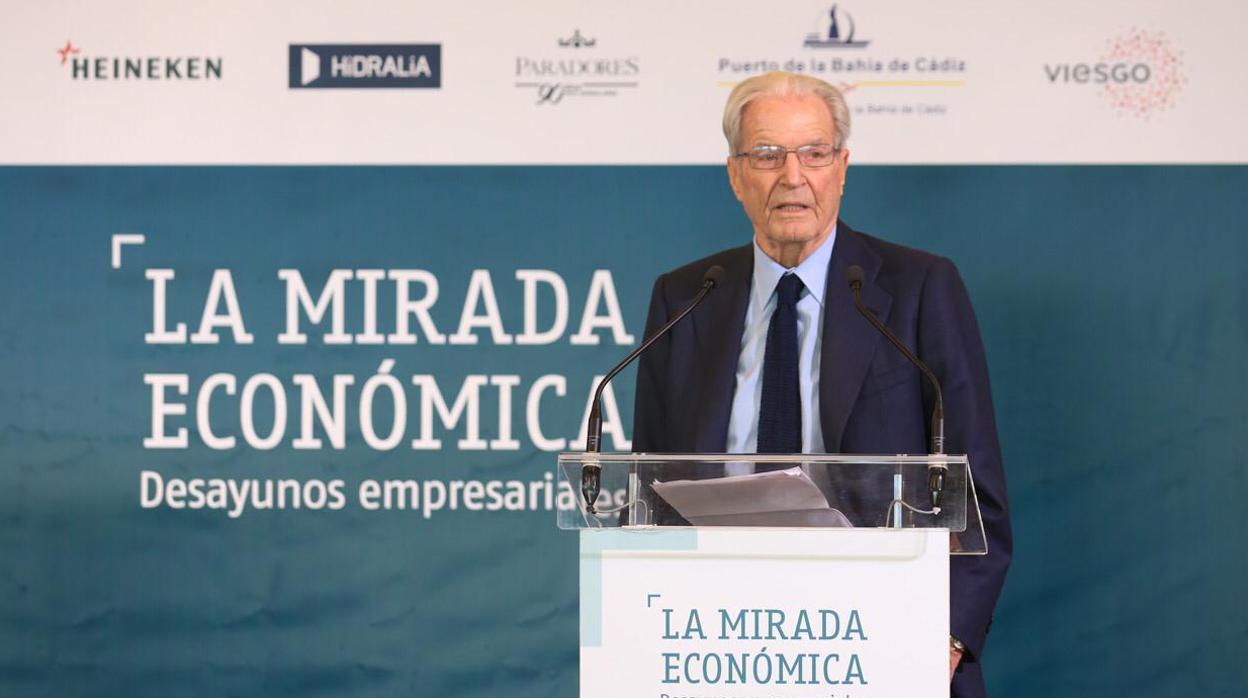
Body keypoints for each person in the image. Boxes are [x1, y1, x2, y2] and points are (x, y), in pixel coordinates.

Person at [631, 71, 1012, 698]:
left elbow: (977, 496)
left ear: (842, 167)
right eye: (767, 154)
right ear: (734, 174)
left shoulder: (918, 290)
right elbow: (646, 494)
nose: (792, 176)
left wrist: (944, 638)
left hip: (884, 640)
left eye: (814, 153)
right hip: (717, 645)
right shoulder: (685, 298)